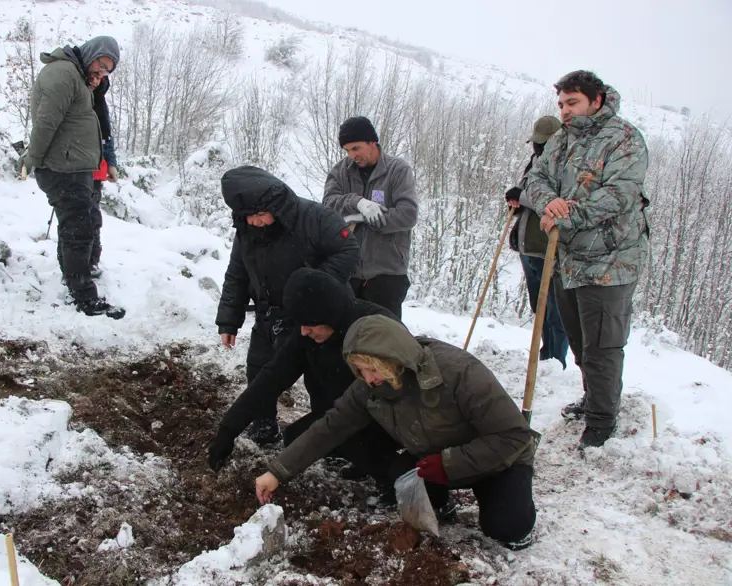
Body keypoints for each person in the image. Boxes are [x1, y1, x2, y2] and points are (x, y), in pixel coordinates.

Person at [254, 315, 537, 551]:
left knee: (506, 527)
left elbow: (514, 436)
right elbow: (330, 427)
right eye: (360, 370)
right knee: (400, 473)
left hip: (499, 460)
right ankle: (440, 503)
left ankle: (505, 504)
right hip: (437, 460)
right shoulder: (370, 387)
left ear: (392, 358)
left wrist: (449, 463)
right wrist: (278, 471)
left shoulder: (459, 372)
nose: (368, 379)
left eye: (372, 368)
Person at [526, 70, 650, 448]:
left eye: (572, 102)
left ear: (596, 100)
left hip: (610, 261)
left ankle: (602, 421)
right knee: (580, 341)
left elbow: (618, 196)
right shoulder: (561, 140)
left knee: (603, 345)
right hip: (568, 259)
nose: (564, 111)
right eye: (561, 104)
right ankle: (593, 398)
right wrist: (548, 201)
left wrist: (564, 214)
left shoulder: (624, 139)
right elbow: (536, 178)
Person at [208, 267, 400, 485]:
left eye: (309, 326)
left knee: (386, 466)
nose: (303, 332)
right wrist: (228, 429)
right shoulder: (308, 335)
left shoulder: (376, 327)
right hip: (334, 416)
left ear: (329, 316)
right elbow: (272, 378)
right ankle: (358, 453)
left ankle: (386, 466)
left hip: (382, 420)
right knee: (295, 438)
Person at [216, 167, 360, 445]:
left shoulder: (314, 218)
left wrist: (312, 290)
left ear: (275, 206)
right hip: (270, 314)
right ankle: (264, 424)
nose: (255, 222)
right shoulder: (246, 231)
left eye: (259, 215)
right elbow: (237, 273)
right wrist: (228, 319)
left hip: (317, 317)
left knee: (322, 381)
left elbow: (348, 251)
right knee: (259, 370)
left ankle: (334, 438)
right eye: (248, 217)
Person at [25, 36, 125, 319]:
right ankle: (82, 296)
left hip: (74, 167)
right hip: (61, 169)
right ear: (92, 54)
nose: (102, 73)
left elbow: (97, 121)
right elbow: (46, 122)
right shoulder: (62, 74)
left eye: (108, 70)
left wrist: (108, 159)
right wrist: (32, 159)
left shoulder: (79, 76)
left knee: (79, 227)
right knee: (77, 230)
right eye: (101, 65)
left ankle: (76, 281)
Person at [322, 116, 418, 319]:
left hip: (387, 273)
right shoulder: (340, 172)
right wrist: (356, 203)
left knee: (384, 339)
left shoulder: (397, 171)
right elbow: (328, 204)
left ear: (372, 142)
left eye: (356, 148)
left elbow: (408, 215)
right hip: (348, 272)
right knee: (346, 335)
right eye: (347, 150)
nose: (351, 155)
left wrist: (366, 219)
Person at [505, 115, 569, 368]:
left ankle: (555, 360)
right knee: (538, 307)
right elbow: (528, 198)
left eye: (543, 144)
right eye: (536, 143)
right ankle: (545, 354)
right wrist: (514, 202)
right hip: (527, 246)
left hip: (549, 248)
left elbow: (557, 203)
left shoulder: (566, 167)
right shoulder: (534, 163)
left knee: (554, 309)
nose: (538, 148)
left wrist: (522, 197)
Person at [84, 71, 120, 278]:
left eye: (100, 78)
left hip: (96, 169)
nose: (96, 81)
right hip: (77, 168)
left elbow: (106, 136)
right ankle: (78, 265)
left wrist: (111, 164)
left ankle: (92, 261)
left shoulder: (99, 102)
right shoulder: (76, 97)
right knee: (79, 219)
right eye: (94, 77)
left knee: (93, 218)